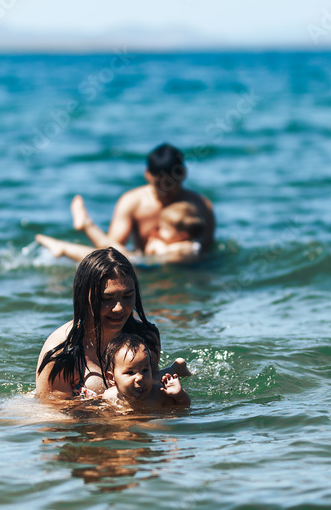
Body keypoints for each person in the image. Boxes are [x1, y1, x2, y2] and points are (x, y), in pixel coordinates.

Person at [35, 248, 189, 400]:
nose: (119, 308)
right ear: (84, 296)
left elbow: (149, 392)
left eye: (128, 296)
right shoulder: (61, 352)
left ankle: (175, 370)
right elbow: (54, 414)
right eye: (106, 299)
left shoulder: (145, 336)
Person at [34, 143, 216, 263]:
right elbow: (111, 250)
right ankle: (84, 227)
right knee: (116, 260)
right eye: (160, 183)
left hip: (182, 265)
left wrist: (166, 250)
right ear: (147, 175)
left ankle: (68, 243)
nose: (166, 189)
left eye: (172, 183)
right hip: (142, 264)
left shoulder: (200, 205)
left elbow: (203, 250)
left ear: (183, 173)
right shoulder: (133, 202)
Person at [35, 201, 204, 264]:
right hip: (142, 265)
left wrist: (158, 247)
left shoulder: (189, 247)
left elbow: (174, 254)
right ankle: (68, 242)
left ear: (182, 235)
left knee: (110, 253)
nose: (158, 231)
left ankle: (85, 227)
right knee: (108, 253)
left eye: (165, 229)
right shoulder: (184, 244)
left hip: (141, 266)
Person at [101, 333, 190, 410]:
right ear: (111, 378)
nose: (140, 377)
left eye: (145, 370)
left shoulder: (159, 395)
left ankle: (179, 367)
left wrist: (179, 395)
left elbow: (184, 407)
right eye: (130, 372)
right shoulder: (109, 396)